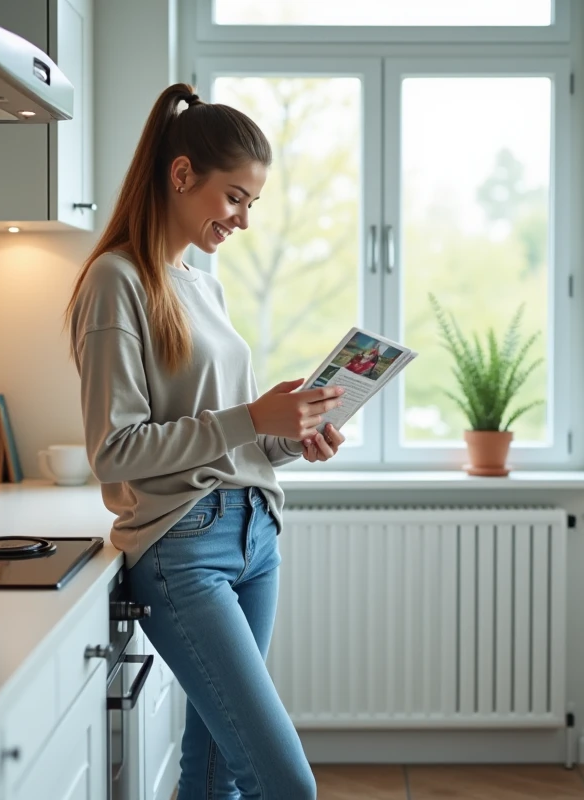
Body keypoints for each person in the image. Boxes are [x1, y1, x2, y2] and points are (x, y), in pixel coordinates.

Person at [65, 83, 343, 800]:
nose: (244, 219)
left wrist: (288, 435)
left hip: (255, 536)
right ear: (182, 174)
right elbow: (116, 449)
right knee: (287, 784)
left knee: (217, 766)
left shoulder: (202, 287)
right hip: (181, 550)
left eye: (253, 203)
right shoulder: (114, 281)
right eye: (236, 197)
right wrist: (254, 419)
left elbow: (224, 438)